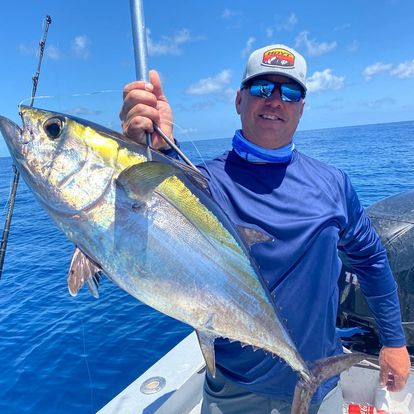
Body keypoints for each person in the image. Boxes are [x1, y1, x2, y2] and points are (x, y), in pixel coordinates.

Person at [120, 44, 411, 413]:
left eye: (290, 92)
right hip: (235, 392)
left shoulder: (334, 183)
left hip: (322, 384)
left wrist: (394, 342)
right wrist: (154, 157)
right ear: (239, 100)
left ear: (301, 108)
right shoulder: (201, 185)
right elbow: (138, 230)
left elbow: (370, 260)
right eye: (261, 89)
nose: (275, 100)